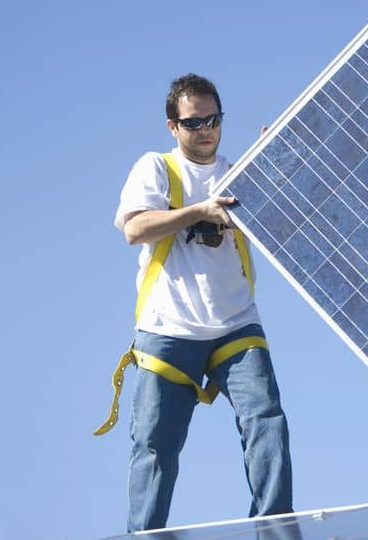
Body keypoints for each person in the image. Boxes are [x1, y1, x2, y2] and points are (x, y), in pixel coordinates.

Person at [114, 73, 293, 531]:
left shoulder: (240, 173)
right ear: (173, 126)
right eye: (194, 122)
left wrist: (283, 163)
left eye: (213, 119)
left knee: (266, 418)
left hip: (236, 322)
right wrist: (199, 211)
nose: (206, 129)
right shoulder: (157, 168)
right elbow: (135, 228)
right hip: (167, 329)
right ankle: (146, 535)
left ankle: (273, 527)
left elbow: (294, 216)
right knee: (155, 445)